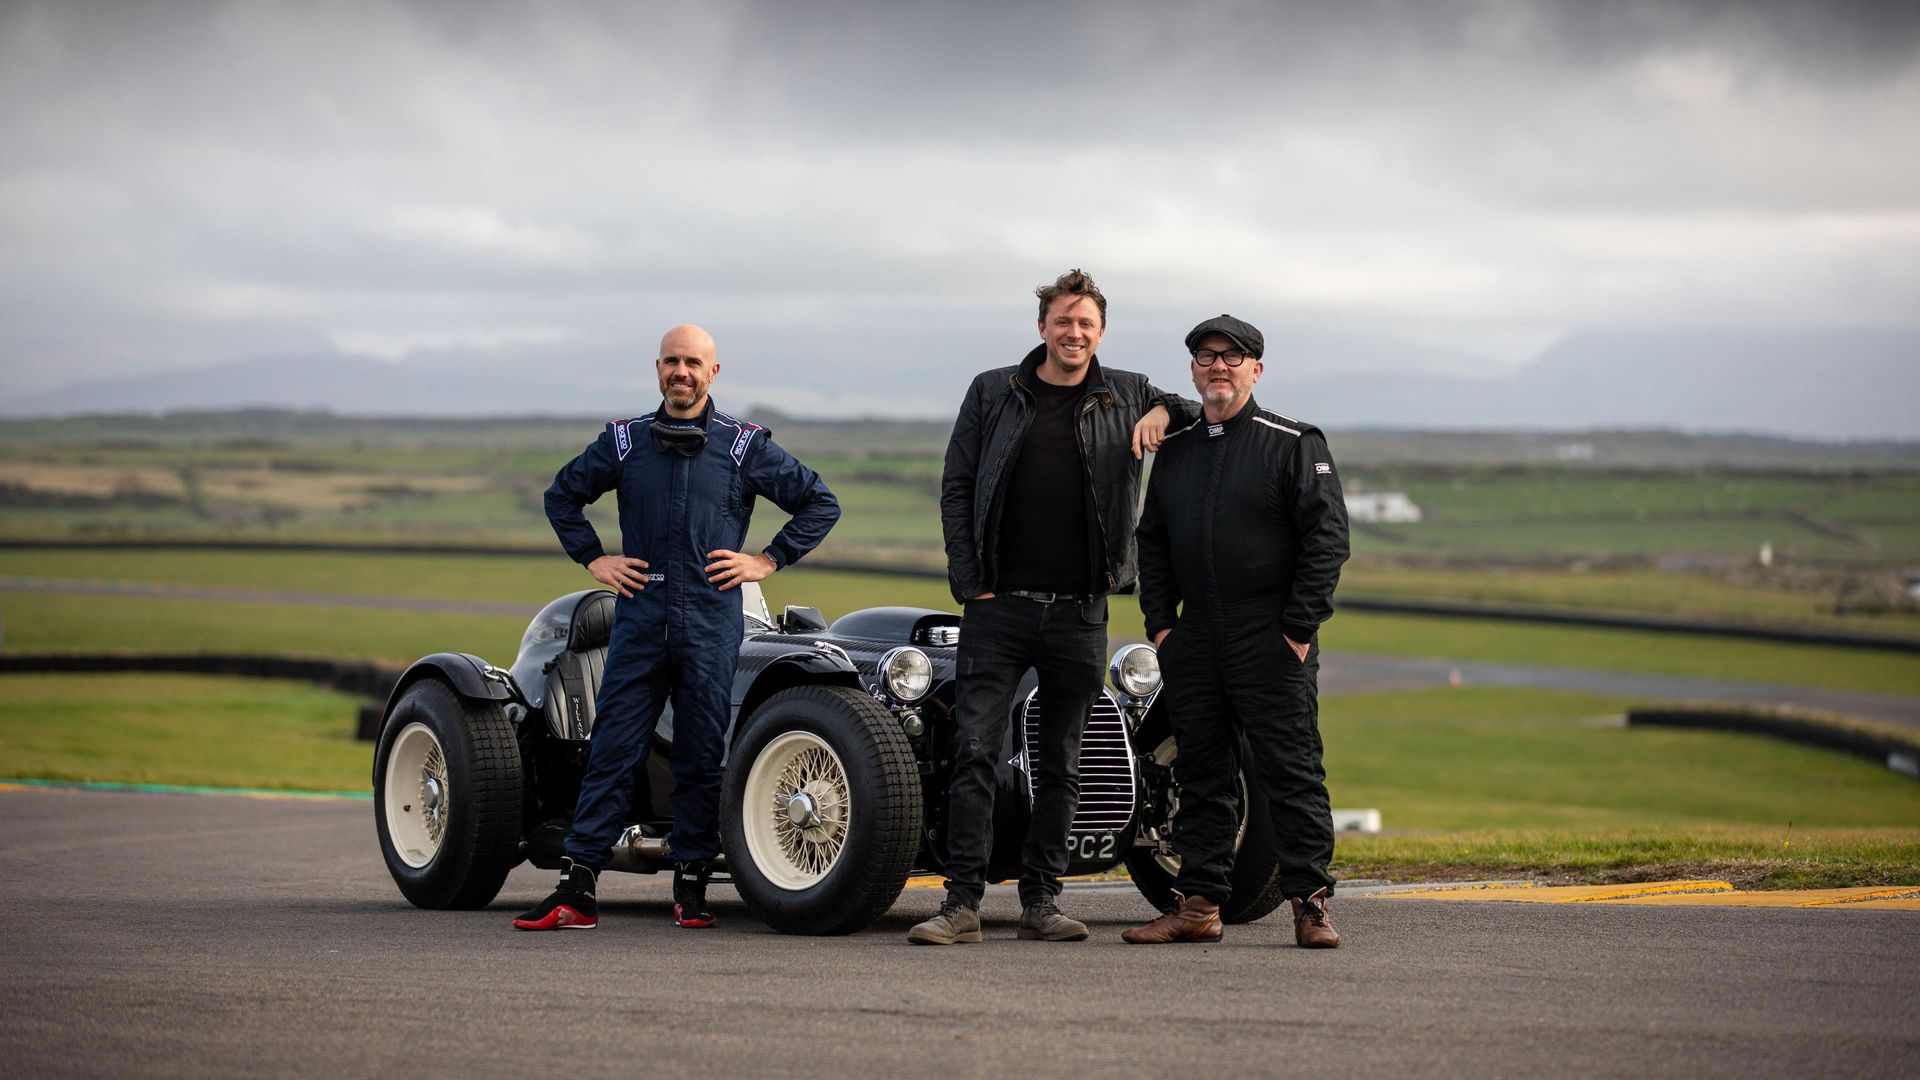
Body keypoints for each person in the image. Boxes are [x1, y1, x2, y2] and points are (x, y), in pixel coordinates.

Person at [514, 324, 840, 931]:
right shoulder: (624, 441)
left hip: (713, 624)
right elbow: (562, 496)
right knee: (612, 750)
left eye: (693, 362)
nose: (681, 372)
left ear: (713, 372)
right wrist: (594, 558)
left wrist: (766, 560)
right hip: (640, 621)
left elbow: (820, 501)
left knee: (699, 757)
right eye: (671, 361)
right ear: (657, 368)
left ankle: (691, 889)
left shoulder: (743, 446)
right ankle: (576, 890)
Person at [909, 268, 1192, 945]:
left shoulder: (1125, 392)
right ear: (1042, 327)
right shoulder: (992, 391)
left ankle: (1041, 900)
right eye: (1063, 322)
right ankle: (961, 905)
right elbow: (957, 483)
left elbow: (1195, 406)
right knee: (976, 752)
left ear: (1100, 333)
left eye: (1086, 324)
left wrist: (1162, 410)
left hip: (1080, 611)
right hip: (998, 607)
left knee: (1062, 759)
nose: (1074, 333)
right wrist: (968, 580)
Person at [1122, 313, 1351, 949]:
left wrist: (1298, 628)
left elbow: (1326, 541)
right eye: (1205, 357)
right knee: (1202, 772)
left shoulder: (1293, 442)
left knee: (1291, 769)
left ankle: (1310, 903)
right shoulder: (1180, 451)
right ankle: (1198, 905)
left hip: (1270, 633)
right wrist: (1163, 627)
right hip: (1196, 638)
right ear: (1193, 370)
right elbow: (1155, 541)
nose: (1217, 367)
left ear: (1256, 368)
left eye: (1232, 356)